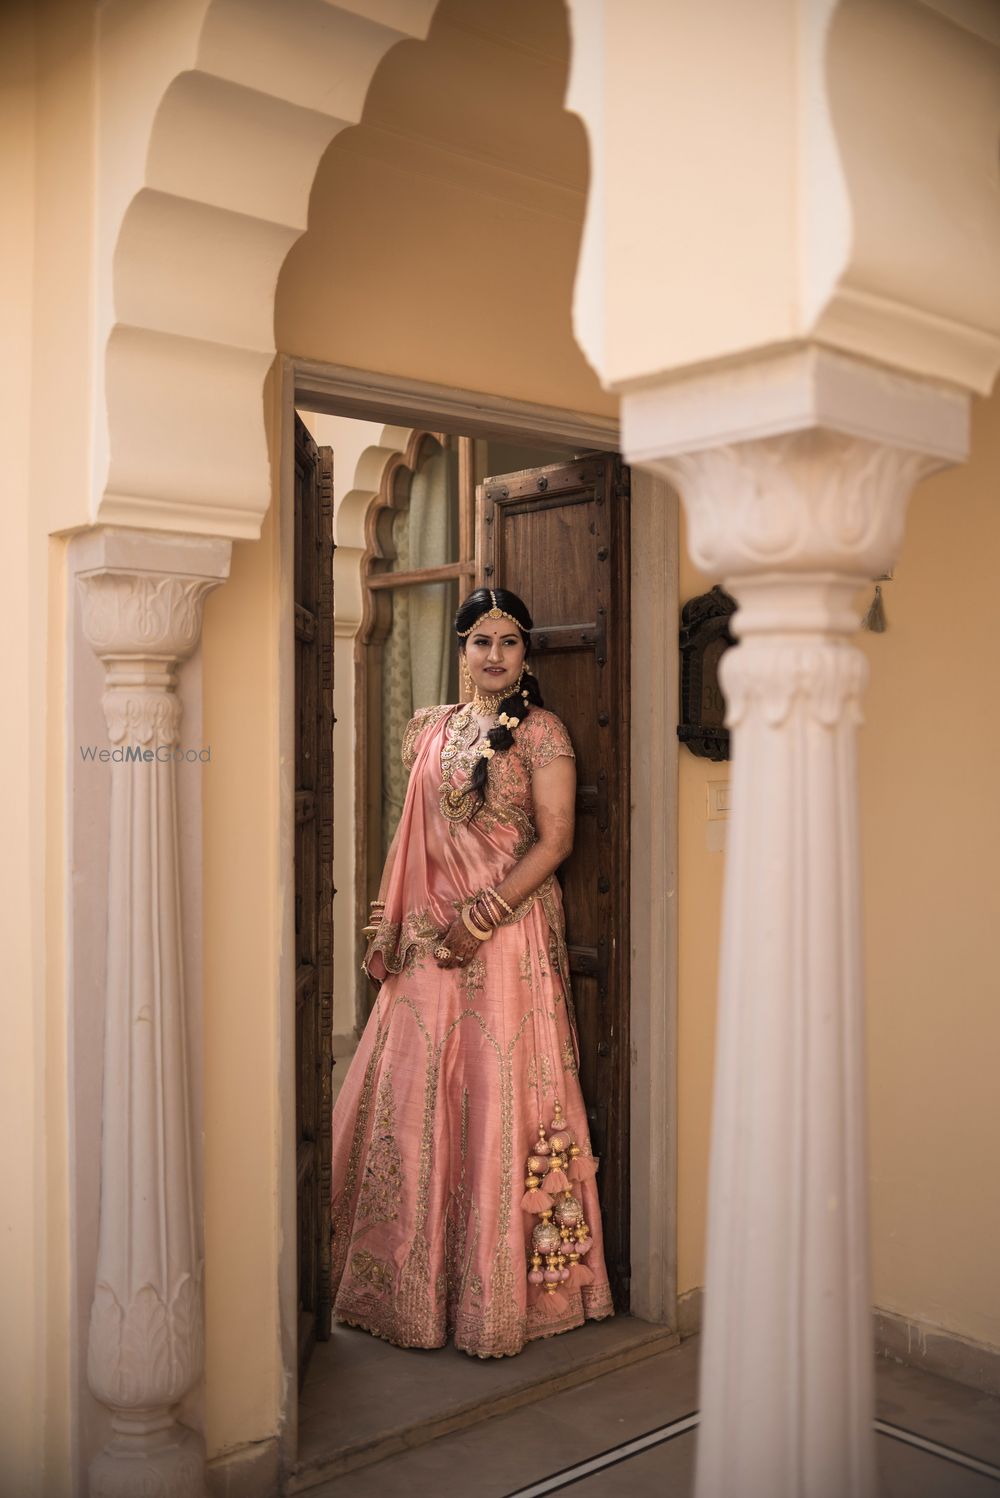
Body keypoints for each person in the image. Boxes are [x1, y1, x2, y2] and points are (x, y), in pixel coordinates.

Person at [330, 587, 613, 1357]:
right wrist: (402, 924)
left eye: (509, 642)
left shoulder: (542, 734)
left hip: (506, 940)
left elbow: (554, 843)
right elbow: (406, 832)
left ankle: (497, 1297)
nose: (494, 656)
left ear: (525, 655)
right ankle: (408, 1286)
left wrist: (481, 918)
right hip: (429, 941)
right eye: (480, 642)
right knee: (417, 1097)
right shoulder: (428, 729)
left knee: (496, 1096)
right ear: (461, 652)